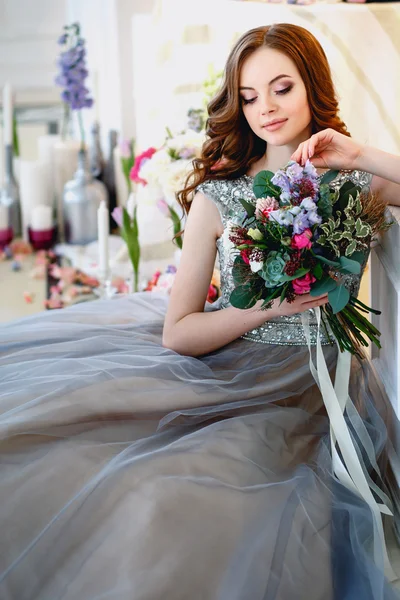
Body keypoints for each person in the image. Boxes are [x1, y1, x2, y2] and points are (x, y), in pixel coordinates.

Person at [0, 23, 399, 600]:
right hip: (227, 371)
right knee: (121, 479)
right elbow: (178, 331)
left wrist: (359, 152)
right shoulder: (220, 194)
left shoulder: (360, 181)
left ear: (313, 86)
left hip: (320, 388)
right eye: (249, 96)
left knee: (187, 503)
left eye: (282, 87)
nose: (265, 108)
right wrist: (266, 307)